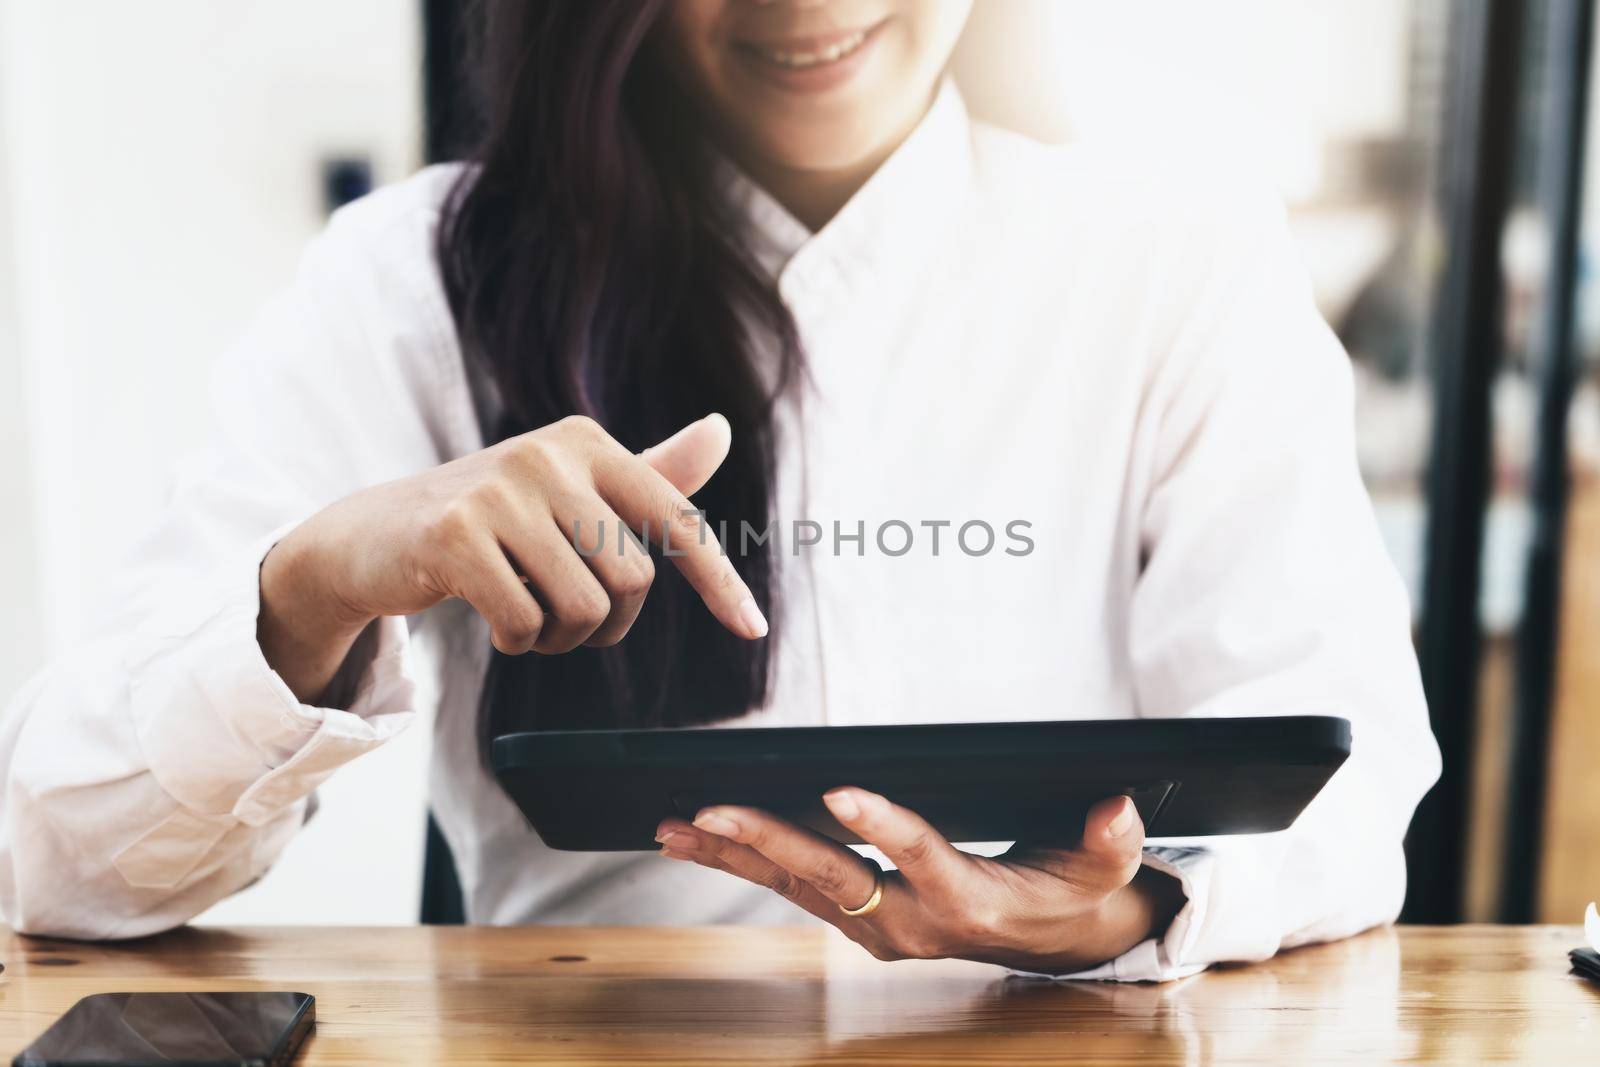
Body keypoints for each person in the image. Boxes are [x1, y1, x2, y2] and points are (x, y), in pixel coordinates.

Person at [0, 0, 1439, 980]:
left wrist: (1124, 907)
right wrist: (317, 582)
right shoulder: (406, 282)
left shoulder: (1176, 258)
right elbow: (62, 858)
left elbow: (1350, 775)